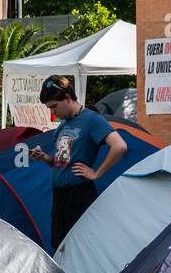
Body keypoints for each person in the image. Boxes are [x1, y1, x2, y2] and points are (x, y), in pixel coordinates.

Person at [29, 75, 127, 249]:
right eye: (49, 108)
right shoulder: (63, 125)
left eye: (54, 107)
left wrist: (96, 173)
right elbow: (61, 162)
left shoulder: (91, 119)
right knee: (59, 246)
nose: (52, 113)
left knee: (78, 247)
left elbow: (119, 146)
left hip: (79, 195)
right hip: (60, 197)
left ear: (67, 97)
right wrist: (43, 157)